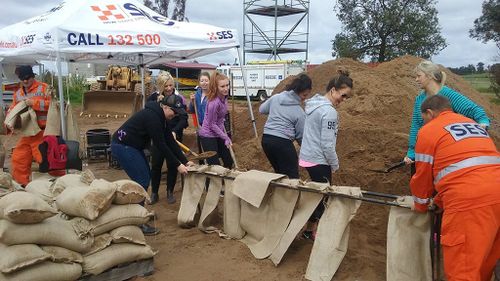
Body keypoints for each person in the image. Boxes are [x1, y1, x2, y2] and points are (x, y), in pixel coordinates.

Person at [409, 95, 499, 281]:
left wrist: (420, 205)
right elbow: (463, 167)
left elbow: (423, 176)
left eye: (423, 118)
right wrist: (441, 201)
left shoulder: (428, 131)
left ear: (430, 113)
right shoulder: (473, 125)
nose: (423, 123)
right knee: (484, 264)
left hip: (470, 203)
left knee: (463, 269)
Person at [111, 99, 193, 235]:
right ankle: (139, 222)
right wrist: (178, 165)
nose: (175, 115)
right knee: (142, 180)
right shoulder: (153, 118)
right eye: (174, 111)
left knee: (145, 177)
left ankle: (138, 214)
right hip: (123, 146)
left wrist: (184, 161)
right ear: (165, 107)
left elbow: (170, 141)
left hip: (133, 146)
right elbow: (161, 145)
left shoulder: (161, 117)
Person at [404, 60, 490, 171]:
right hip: (427, 150)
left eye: (419, 76)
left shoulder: (448, 95)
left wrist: (483, 122)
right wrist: (412, 151)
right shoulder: (419, 99)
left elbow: (475, 110)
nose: (416, 79)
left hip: (446, 150)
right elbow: (416, 125)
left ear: (430, 76)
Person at [298, 70, 353, 239]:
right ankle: (309, 230)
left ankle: (308, 227)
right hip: (319, 159)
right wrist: (334, 164)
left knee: (316, 193)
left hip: (307, 156)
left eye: (346, 98)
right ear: (333, 90)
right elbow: (327, 144)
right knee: (323, 196)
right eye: (342, 96)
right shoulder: (329, 113)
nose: (343, 100)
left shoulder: (313, 105)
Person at [259, 73, 312, 178]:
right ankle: (289, 194)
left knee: (280, 175)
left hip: (266, 140)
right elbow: (301, 137)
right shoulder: (299, 112)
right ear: (297, 91)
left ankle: (279, 194)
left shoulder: (276, 98)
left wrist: (276, 110)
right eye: (304, 95)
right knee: (292, 177)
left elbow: (262, 109)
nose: (305, 99)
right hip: (282, 144)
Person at [6, 65, 51, 186]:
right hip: (26, 133)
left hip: (42, 132)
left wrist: (34, 103)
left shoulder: (44, 88)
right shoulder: (18, 94)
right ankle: (22, 186)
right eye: (22, 79)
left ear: (33, 76)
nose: (25, 81)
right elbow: (13, 108)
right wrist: (10, 119)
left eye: (27, 78)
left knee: (44, 159)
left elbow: (53, 105)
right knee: (18, 158)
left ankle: (49, 185)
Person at [148, 72, 188, 204]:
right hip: (158, 136)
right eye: (166, 86)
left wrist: (175, 131)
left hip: (174, 136)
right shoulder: (153, 98)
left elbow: (184, 118)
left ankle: (170, 191)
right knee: (156, 164)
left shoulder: (179, 98)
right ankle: (154, 193)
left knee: (173, 164)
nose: (169, 88)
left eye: (171, 85)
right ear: (160, 86)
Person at [198, 72, 234, 169]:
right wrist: (225, 137)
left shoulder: (224, 98)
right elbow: (212, 124)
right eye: (222, 86)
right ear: (216, 87)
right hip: (208, 135)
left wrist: (224, 135)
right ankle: (212, 183)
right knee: (215, 166)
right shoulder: (214, 103)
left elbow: (220, 120)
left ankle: (224, 183)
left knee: (228, 161)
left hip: (217, 132)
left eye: (227, 85)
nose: (226, 88)